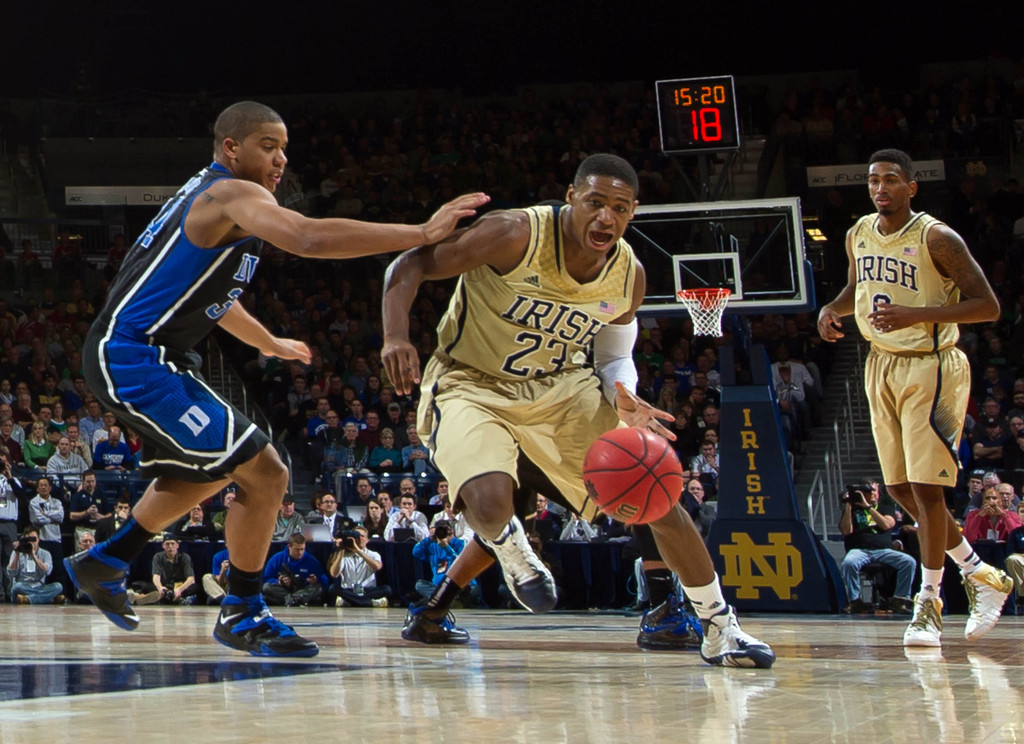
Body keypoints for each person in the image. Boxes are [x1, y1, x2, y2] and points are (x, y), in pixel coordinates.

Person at [64, 100, 487, 657]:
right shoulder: (231, 194)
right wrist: (421, 231)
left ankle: (107, 559)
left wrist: (267, 341)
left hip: (153, 352)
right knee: (265, 470)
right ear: (230, 148)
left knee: (226, 470)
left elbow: (210, 298)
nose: (281, 157)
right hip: (133, 354)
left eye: (285, 147)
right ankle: (239, 609)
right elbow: (307, 237)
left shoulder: (218, 200)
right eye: (269, 145)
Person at [382, 154, 774, 666]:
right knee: (493, 500)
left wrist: (623, 394)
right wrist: (395, 335)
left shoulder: (628, 274)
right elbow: (409, 264)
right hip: (471, 381)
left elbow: (614, 354)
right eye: (595, 203)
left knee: (658, 491)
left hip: (562, 390)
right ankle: (511, 549)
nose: (605, 218)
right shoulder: (514, 233)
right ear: (571, 197)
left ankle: (721, 627)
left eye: (619, 208)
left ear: (633, 212)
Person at [817, 147, 1011, 647]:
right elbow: (858, 286)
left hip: (931, 365)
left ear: (911, 187)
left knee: (927, 493)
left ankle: (928, 603)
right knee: (901, 489)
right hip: (879, 363)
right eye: (873, 180)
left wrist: (917, 314)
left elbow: (987, 307)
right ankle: (981, 572)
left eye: (890, 180)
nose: (880, 188)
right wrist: (831, 309)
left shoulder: (937, 237)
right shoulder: (857, 232)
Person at [838, 482, 917, 614]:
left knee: (908, 562)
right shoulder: (852, 510)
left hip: (884, 550)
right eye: (869, 492)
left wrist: (868, 507)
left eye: (875, 491)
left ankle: (900, 599)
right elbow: (846, 531)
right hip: (859, 550)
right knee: (849, 562)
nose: (873, 494)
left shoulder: (885, 508)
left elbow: (886, 525)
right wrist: (848, 506)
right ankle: (855, 600)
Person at [327, 526, 390, 607]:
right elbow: (333, 574)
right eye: (356, 536)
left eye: (362, 536)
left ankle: (349, 601)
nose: (359, 538)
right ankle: (369, 602)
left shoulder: (373, 554)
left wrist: (358, 551)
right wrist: (341, 550)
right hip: (349, 589)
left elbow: (378, 567)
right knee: (333, 588)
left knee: (387, 589)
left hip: (367, 589)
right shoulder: (344, 555)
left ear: (367, 540)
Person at [262, 533, 328, 607]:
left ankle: (291, 599)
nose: (300, 552)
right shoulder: (276, 559)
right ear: (289, 546)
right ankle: (295, 600)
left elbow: (325, 581)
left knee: (318, 588)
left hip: (303, 590)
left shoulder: (311, 561)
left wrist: (316, 580)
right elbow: (266, 579)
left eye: (302, 549)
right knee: (266, 587)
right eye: (297, 549)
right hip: (284, 590)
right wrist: (279, 582)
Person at [6, 527, 64, 604]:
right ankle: (50, 599)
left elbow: (47, 571)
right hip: (22, 587)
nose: (31, 542)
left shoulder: (45, 554)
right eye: (28, 540)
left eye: (33, 539)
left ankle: (28, 599)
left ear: (38, 539)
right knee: (17, 587)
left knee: (58, 586)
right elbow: (11, 573)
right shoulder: (17, 553)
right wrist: (17, 553)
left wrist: (34, 556)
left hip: (39, 586)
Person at [150, 537, 196, 605]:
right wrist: (160, 588)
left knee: (195, 587)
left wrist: (180, 589)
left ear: (177, 545)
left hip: (180, 586)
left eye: (172, 544)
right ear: (163, 546)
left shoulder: (185, 557)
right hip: (165, 586)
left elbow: (191, 579)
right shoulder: (158, 557)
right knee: (144, 585)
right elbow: (156, 576)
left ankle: (181, 599)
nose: (170, 546)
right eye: (167, 544)